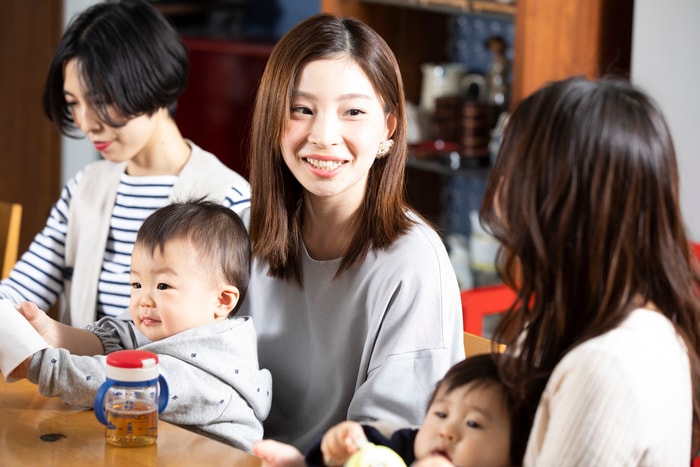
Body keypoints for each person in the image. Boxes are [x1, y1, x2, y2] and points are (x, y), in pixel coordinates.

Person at [240, 13, 464, 452]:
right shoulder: (242, 230)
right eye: (301, 110)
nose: (323, 136)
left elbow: (390, 443)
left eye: (353, 112)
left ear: (389, 128)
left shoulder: (413, 262)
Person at [480, 76, 700, 465]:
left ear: (560, 199)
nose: (498, 194)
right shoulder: (588, 323)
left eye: (513, 170)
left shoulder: (606, 366)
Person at [0, 0, 251, 327]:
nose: (87, 122)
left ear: (153, 84)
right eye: (74, 103)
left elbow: (233, 338)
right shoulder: (85, 187)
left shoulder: (228, 198)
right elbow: (18, 292)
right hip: (80, 378)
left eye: (101, 100)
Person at [3, 200, 272, 452]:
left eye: (163, 286)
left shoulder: (208, 367)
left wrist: (39, 363)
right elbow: (121, 335)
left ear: (222, 300)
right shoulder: (177, 330)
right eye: (136, 284)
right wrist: (49, 333)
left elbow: (116, 384)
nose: (143, 299)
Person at [255, 354, 528, 467]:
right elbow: (368, 451)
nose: (447, 431)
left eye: (473, 424)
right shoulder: (407, 446)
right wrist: (342, 448)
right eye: (441, 414)